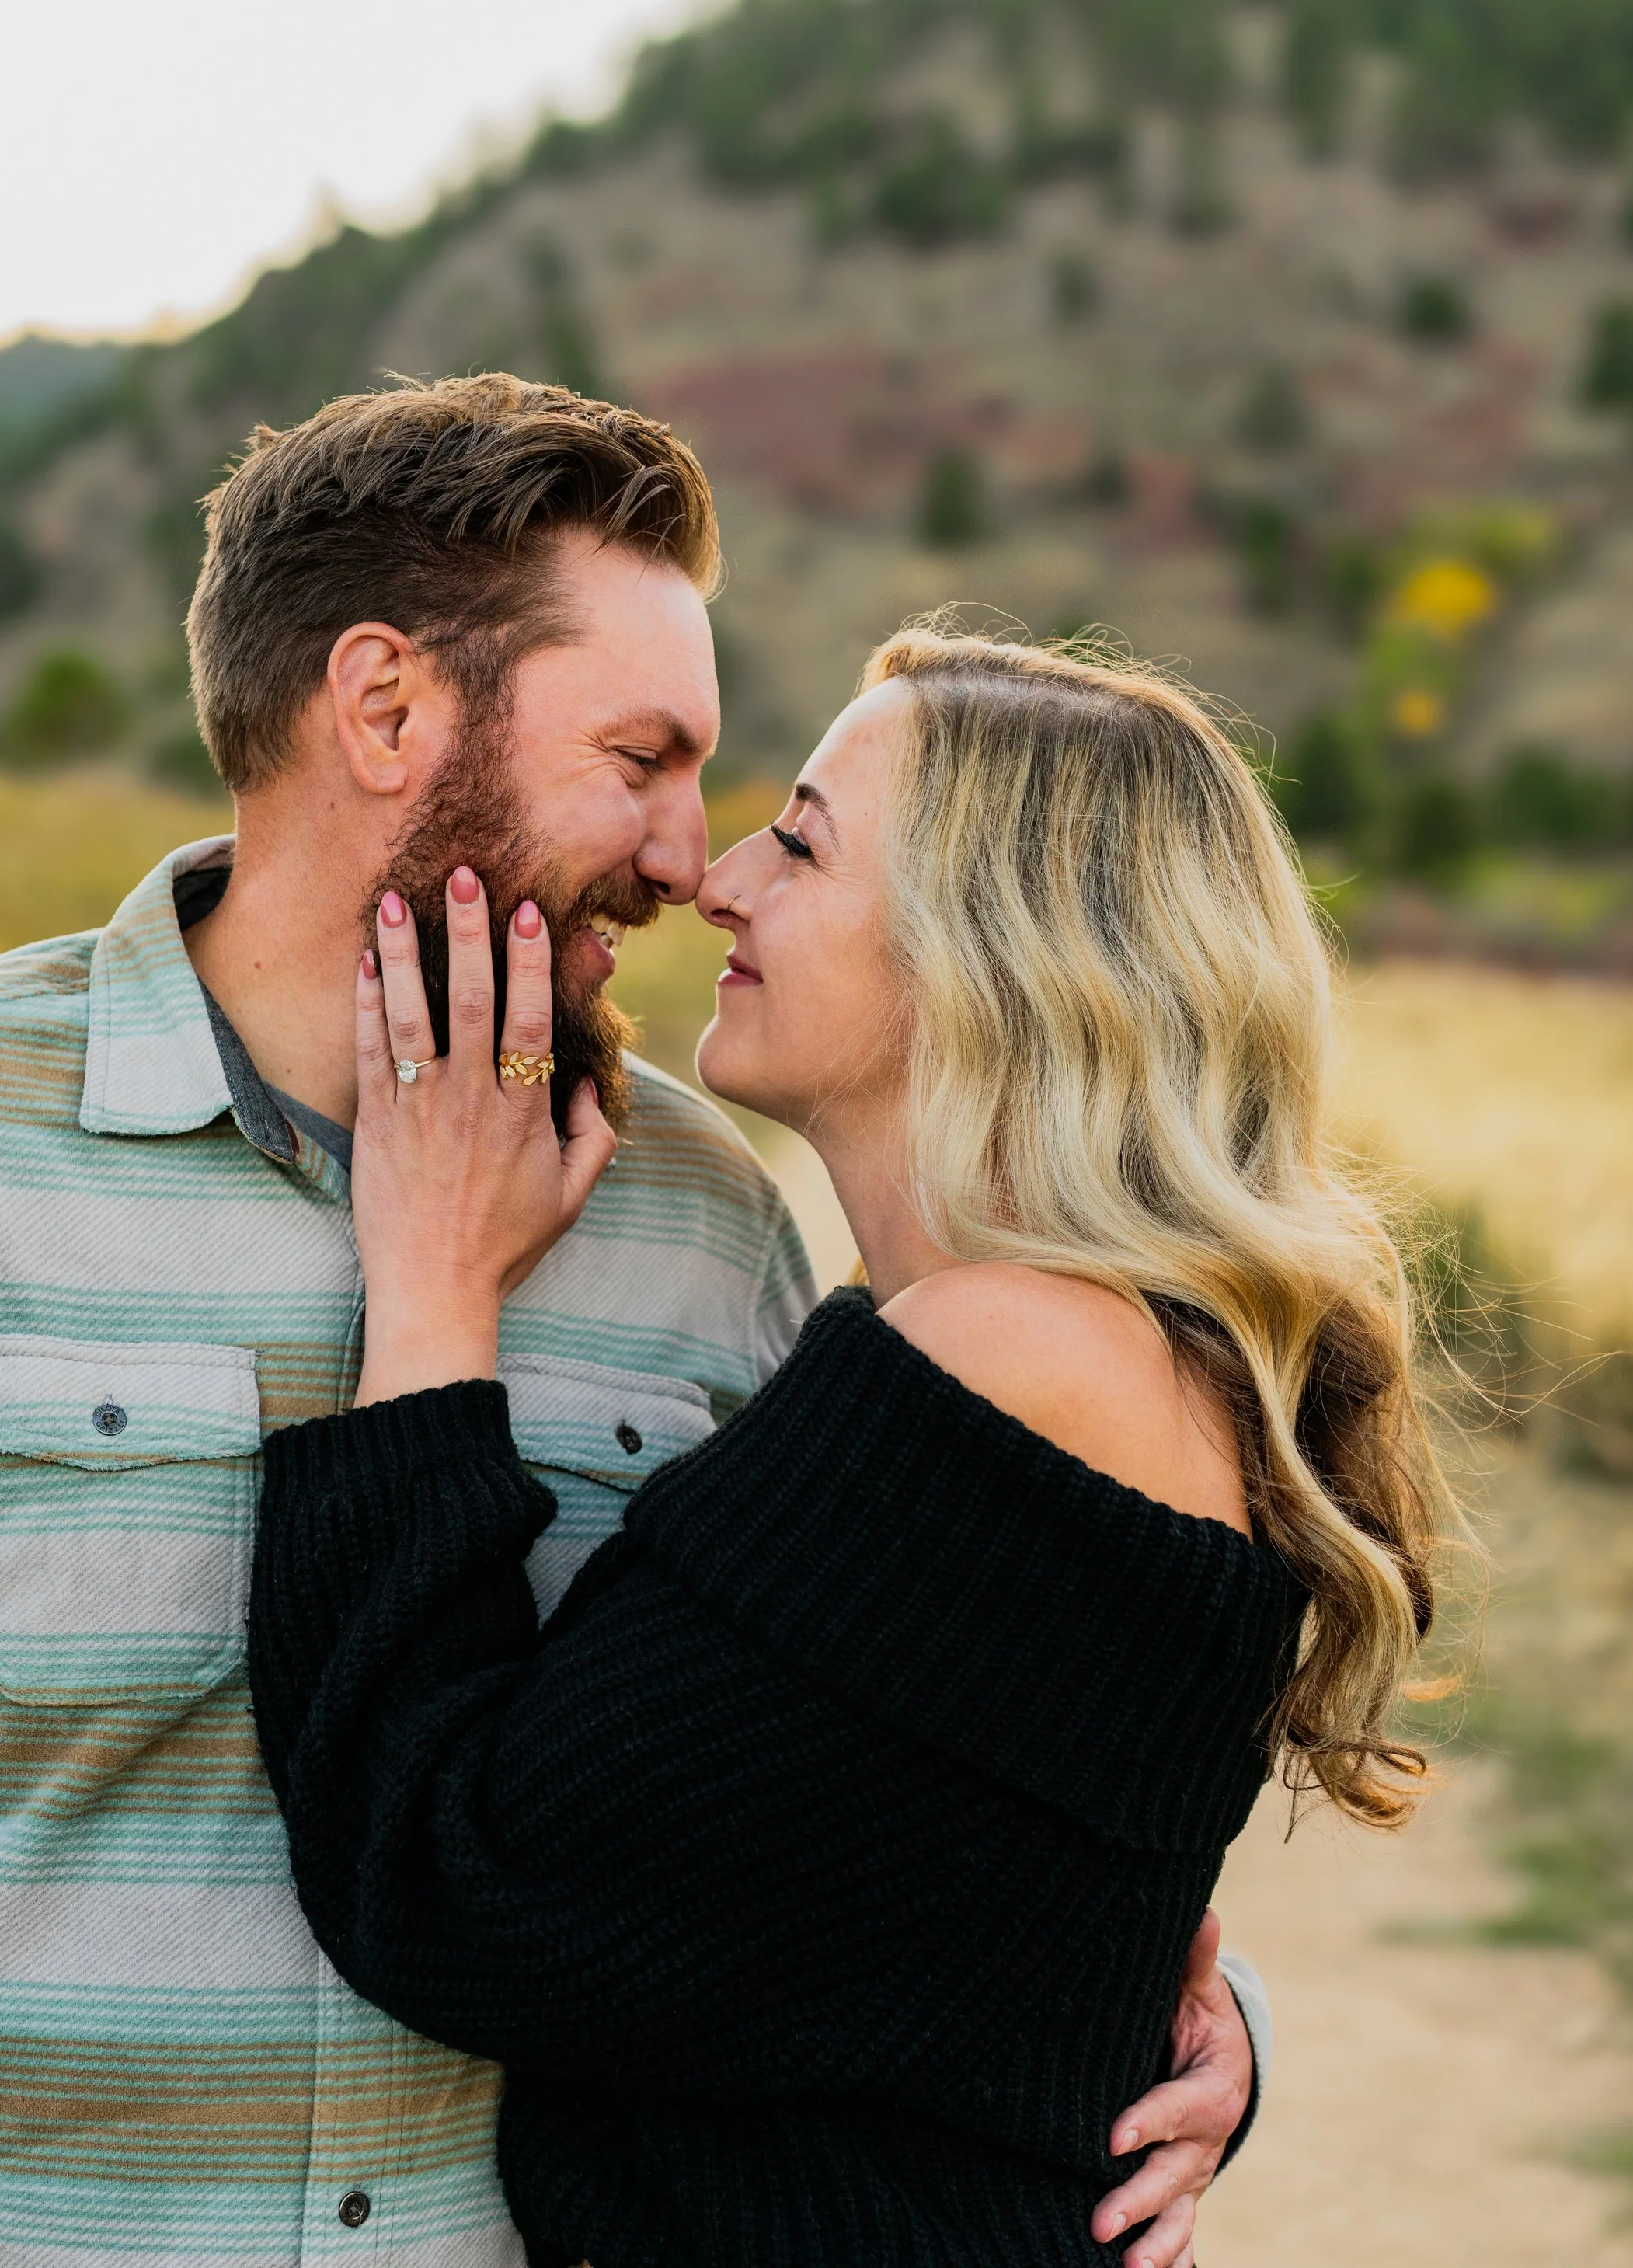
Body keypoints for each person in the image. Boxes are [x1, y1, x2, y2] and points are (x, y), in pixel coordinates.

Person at [0, 379, 1254, 2268]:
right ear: (385, 711)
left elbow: (862, 1816)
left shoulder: (701, 1221)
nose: (689, 864)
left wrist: (1186, 2034)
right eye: (641, 758)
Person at [248, 628, 1454, 2268]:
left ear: (994, 952)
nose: (721, 880)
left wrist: (434, 1296)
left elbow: (464, 1893)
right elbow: (899, 1936)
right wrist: (1200, 2023)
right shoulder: (1092, 1355)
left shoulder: (1014, 1360)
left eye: (801, 840)